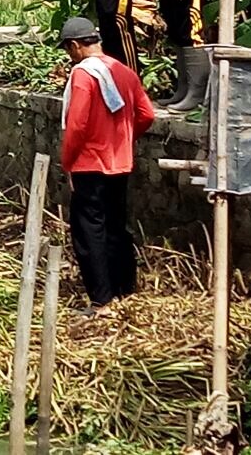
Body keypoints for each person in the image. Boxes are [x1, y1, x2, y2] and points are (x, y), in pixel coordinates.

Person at [58, 17, 155, 316]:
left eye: (68, 51)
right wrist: (124, 136)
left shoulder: (83, 75)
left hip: (89, 163)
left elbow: (77, 124)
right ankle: (125, 288)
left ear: (75, 46)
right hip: (119, 161)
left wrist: (67, 162)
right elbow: (146, 114)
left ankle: (101, 299)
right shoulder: (124, 72)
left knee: (90, 231)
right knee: (117, 226)